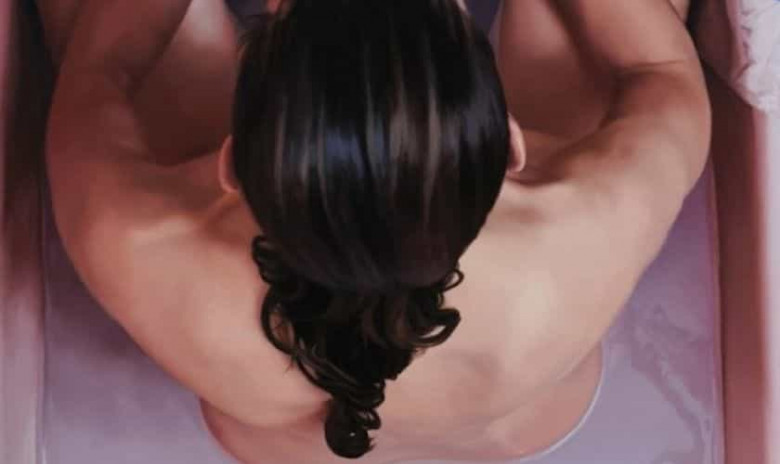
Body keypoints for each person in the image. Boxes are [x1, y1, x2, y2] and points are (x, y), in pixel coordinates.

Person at [41, 0, 710, 462]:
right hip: (517, 423)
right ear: (511, 145)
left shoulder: (139, 242)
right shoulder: (587, 226)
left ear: (231, 164)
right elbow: (661, 73)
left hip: (268, 441)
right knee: (575, 20)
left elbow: (96, 75)